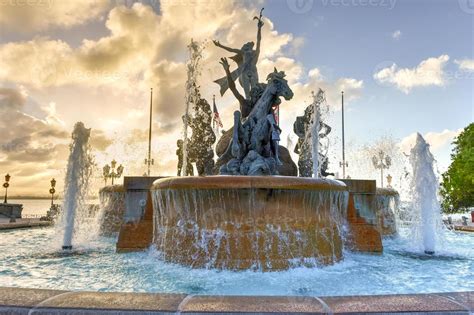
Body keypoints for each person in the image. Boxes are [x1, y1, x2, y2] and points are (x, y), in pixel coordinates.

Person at [213, 8, 264, 99]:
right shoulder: (243, 52)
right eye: (247, 45)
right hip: (244, 72)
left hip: (253, 71)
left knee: (255, 94)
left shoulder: (255, 52)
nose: (248, 45)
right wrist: (220, 45)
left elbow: (259, 40)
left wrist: (259, 28)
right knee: (247, 96)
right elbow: (231, 50)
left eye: (248, 44)